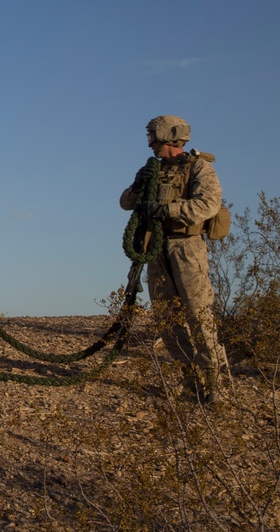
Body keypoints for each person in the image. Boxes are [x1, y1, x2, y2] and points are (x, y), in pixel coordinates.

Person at [120, 115, 229, 402]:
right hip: (157, 249)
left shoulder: (199, 167)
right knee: (167, 318)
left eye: (153, 136)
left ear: (169, 136)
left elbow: (208, 203)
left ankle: (215, 385)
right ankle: (188, 379)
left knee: (199, 315)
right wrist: (136, 187)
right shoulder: (152, 170)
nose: (150, 143)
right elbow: (125, 203)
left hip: (186, 247)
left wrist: (168, 211)